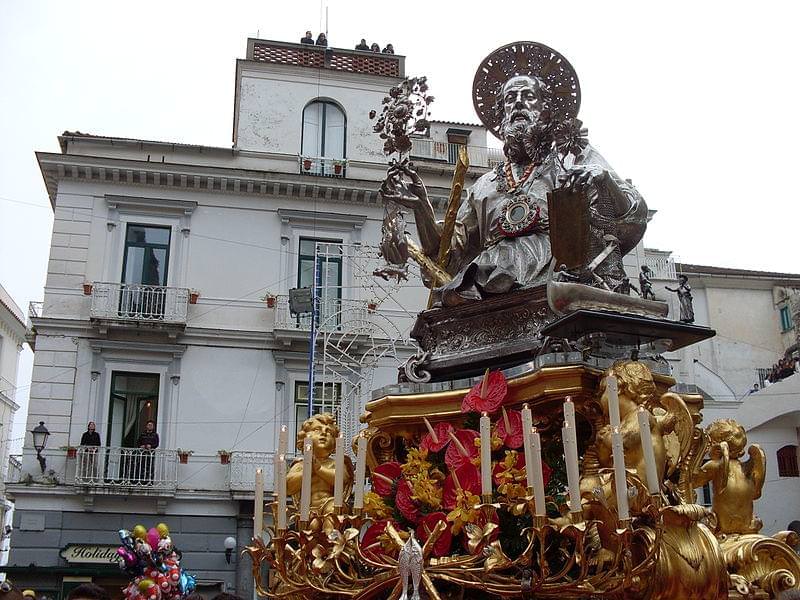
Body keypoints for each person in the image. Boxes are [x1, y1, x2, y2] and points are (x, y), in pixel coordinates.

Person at [380, 50, 647, 307]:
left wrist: (602, 180)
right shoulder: (483, 186)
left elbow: (632, 215)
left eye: (528, 96)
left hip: (556, 275)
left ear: (546, 111)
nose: (517, 103)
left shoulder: (571, 158)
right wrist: (422, 208)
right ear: (501, 115)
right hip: (488, 282)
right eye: (510, 99)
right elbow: (447, 254)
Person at [286, 413, 353, 520]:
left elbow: (342, 480)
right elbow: (289, 487)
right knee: (312, 525)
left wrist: (319, 469)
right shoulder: (300, 465)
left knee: (331, 517)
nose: (324, 433)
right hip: (307, 508)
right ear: (304, 438)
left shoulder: (336, 463)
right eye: (317, 429)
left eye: (329, 432)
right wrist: (308, 470)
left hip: (332, 504)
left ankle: (331, 536)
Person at [136, 420, 159, 485]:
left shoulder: (155, 435)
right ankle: (141, 481)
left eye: (151, 425)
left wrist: (151, 446)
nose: (150, 426)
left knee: (150, 467)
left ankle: (149, 481)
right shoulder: (142, 434)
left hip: (150, 454)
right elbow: (138, 442)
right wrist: (141, 446)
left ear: (153, 427)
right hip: (142, 454)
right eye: (149, 425)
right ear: (146, 426)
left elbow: (156, 444)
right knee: (141, 466)